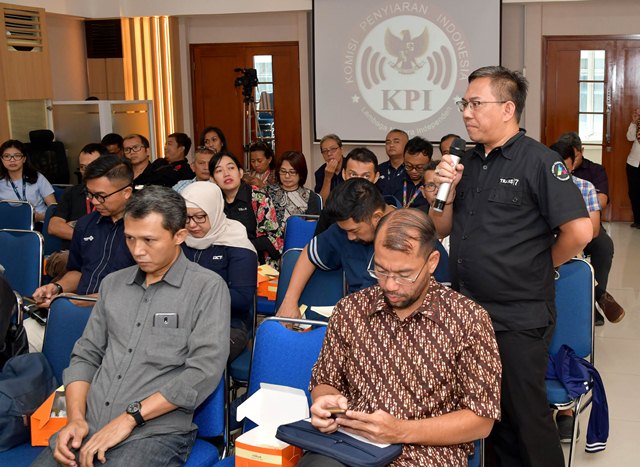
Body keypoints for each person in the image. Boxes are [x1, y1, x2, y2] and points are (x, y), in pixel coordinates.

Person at [431, 65, 592, 467]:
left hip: (519, 314)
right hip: (469, 312)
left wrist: (540, 265)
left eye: (475, 103)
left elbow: (579, 232)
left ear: (507, 109)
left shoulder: (540, 161)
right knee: (488, 413)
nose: (466, 112)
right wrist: (444, 191)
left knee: (526, 416)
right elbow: (440, 227)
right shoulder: (465, 161)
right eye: (464, 104)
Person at [31, 185, 230, 467]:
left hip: (154, 432)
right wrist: (75, 419)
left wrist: (129, 419)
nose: (138, 250)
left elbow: (202, 372)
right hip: (89, 424)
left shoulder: (207, 288)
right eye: (130, 238)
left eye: (149, 240)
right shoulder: (113, 284)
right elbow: (86, 356)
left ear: (179, 235)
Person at [302, 209, 501, 467]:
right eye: (381, 270)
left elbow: (481, 420)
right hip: (350, 446)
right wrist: (326, 403)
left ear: (432, 262)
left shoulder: (468, 320)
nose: (390, 285)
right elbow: (326, 380)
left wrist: (400, 431)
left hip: (428, 455)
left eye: (404, 274)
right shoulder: (351, 310)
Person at [276, 178, 394, 319]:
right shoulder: (345, 228)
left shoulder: (408, 236)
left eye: (354, 231)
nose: (350, 237)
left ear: (377, 217)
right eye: (346, 231)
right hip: (354, 317)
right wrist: (289, 301)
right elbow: (309, 254)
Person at [32, 155, 135, 307]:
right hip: (80, 307)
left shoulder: (145, 230)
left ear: (126, 192)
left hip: (121, 311)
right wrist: (57, 287)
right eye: (90, 194)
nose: (94, 201)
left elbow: (140, 290)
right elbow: (78, 271)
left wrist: (79, 301)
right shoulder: (86, 224)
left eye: (101, 196)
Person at [181, 182, 257, 361]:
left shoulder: (237, 244)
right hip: (179, 320)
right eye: (186, 217)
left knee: (192, 358)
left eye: (200, 217)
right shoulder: (179, 240)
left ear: (214, 211)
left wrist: (193, 291)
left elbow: (242, 300)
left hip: (227, 323)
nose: (192, 225)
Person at [556, 132, 625, 325]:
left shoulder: (595, 171)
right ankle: (599, 296)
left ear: (581, 152)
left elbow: (601, 201)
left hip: (587, 223)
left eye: (575, 156)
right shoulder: (551, 173)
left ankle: (594, 299)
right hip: (559, 227)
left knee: (604, 245)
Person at [210, 151, 282, 265]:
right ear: (213, 179)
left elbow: (272, 239)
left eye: (231, 168)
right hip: (222, 261)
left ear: (240, 173)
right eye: (219, 170)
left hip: (257, 262)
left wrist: (237, 247)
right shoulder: (213, 203)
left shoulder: (259, 199)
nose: (226, 174)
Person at [48, 143, 109, 248]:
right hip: (73, 252)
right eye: (82, 167)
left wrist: (74, 225)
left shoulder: (114, 194)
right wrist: (88, 238)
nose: (86, 171)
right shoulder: (71, 192)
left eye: (91, 166)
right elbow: (54, 227)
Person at [314, 147, 380, 236]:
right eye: (353, 174)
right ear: (344, 174)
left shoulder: (381, 210)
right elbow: (318, 242)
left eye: (366, 176)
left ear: (376, 177)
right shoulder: (331, 210)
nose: (358, 181)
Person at [0, 139, 56, 223]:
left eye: (17, 155)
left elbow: (53, 207)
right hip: (11, 223)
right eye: (7, 156)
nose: (12, 160)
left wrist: (41, 217)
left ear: (24, 159)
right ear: (1, 159)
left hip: (39, 222)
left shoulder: (37, 177)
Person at [266, 151, 321, 225]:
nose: (287, 176)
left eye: (292, 172)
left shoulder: (311, 197)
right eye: (283, 171)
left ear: (301, 173)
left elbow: (311, 227)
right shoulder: (267, 192)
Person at [386, 136, 433, 209]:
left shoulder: (434, 187)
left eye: (419, 167)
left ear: (429, 162)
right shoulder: (394, 183)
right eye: (408, 166)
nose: (414, 171)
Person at [315, 134, 345, 203]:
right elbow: (322, 203)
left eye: (333, 149)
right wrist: (327, 178)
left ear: (341, 150)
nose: (329, 154)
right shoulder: (320, 173)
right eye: (325, 151)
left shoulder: (350, 166)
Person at [377, 129, 409, 195]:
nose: (391, 145)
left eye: (396, 142)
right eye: (388, 142)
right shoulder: (378, 169)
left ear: (407, 145)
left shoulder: (412, 170)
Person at [625, 108, 640, 227]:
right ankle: (637, 220)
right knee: (634, 192)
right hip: (633, 163)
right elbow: (629, 137)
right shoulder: (636, 125)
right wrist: (634, 123)